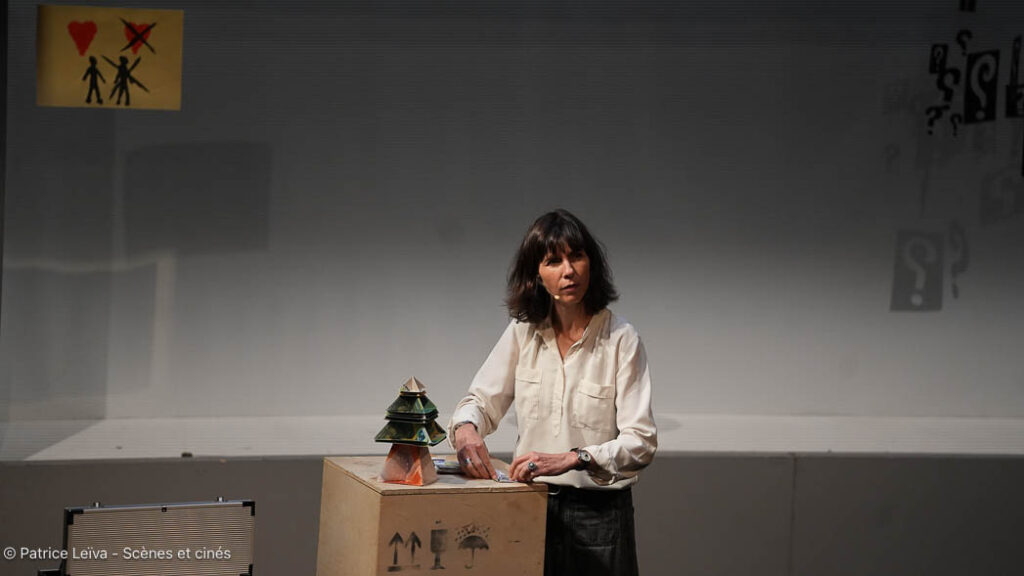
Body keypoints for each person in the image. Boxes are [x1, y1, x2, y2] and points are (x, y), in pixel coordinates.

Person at [448, 209, 657, 576]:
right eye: (554, 261)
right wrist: (466, 429)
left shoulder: (621, 339)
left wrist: (576, 458)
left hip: (598, 516)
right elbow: (480, 402)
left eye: (577, 256)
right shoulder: (523, 332)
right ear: (537, 275)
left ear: (592, 264)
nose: (569, 271)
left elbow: (640, 442)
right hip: (530, 504)